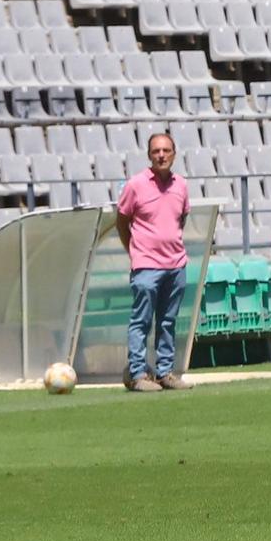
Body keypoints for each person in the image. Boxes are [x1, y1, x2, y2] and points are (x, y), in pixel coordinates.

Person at [115, 132, 190, 393]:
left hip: (176, 264)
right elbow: (122, 221)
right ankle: (137, 373)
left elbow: (181, 219)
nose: (161, 155)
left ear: (174, 154)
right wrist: (134, 251)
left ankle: (165, 372)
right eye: (156, 151)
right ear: (149, 155)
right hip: (146, 265)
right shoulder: (135, 185)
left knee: (168, 321)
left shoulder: (181, 185)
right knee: (141, 321)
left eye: (166, 150)